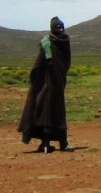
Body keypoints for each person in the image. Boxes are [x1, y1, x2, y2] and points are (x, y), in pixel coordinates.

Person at [18, 16, 74, 153]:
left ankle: (52, 143)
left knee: (50, 112)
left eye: (62, 26)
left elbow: (61, 62)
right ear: (53, 28)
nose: (60, 29)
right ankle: (54, 143)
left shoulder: (58, 43)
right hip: (50, 84)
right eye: (58, 27)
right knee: (49, 112)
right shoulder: (50, 44)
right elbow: (41, 63)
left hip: (53, 83)